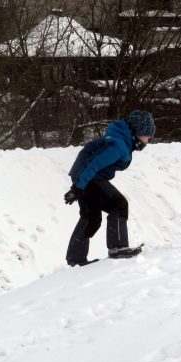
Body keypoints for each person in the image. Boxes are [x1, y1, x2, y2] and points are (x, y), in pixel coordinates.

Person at [64, 110, 155, 266]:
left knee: (91, 216)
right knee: (118, 205)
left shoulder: (123, 140)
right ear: (139, 132)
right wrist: (78, 187)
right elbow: (94, 162)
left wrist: (78, 185)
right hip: (89, 177)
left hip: (86, 176)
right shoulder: (119, 145)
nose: (148, 140)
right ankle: (118, 247)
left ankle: (75, 258)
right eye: (148, 135)